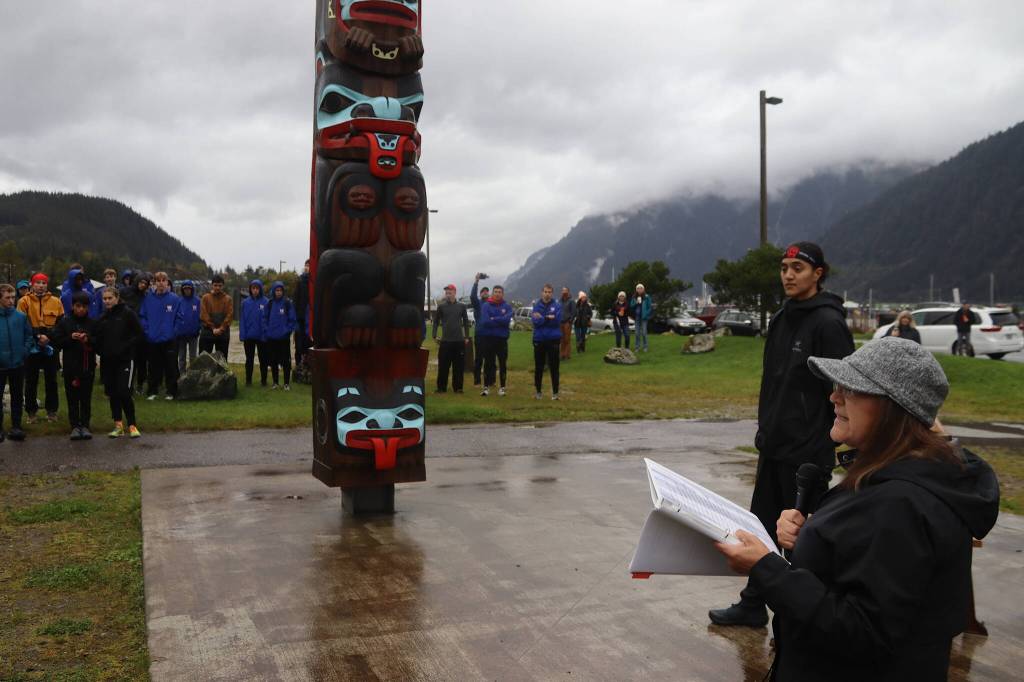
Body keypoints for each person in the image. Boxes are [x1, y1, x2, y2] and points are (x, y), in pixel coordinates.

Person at [716, 337, 999, 681]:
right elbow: (871, 565)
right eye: (837, 385)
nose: (833, 396)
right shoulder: (895, 479)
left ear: (891, 409)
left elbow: (863, 633)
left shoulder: (900, 503)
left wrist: (768, 569)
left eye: (850, 389)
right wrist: (815, 537)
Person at [710, 241, 855, 627]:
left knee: (802, 538)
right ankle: (753, 603)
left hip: (808, 452)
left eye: (798, 268)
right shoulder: (781, 318)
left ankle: (805, 613)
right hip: (774, 443)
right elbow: (773, 381)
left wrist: (827, 440)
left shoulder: (829, 323)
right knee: (761, 524)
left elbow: (842, 388)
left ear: (817, 274)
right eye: (784, 268)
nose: (789, 275)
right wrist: (766, 427)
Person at [94, 287, 143, 438]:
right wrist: (100, 350)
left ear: (117, 298)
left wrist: (125, 347)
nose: (107, 301)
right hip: (108, 361)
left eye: (110, 298)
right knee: (113, 393)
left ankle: (132, 425)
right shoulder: (103, 317)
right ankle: (118, 426)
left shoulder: (127, 313)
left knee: (124, 392)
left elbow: (139, 334)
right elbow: (97, 339)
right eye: (105, 299)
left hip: (126, 360)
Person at [51, 291, 98, 439]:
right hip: (71, 367)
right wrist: (70, 338)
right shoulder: (65, 321)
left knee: (85, 397)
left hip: (87, 366)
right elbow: (57, 341)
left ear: (88, 307)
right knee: (72, 398)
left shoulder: (92, 323)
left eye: (84, 306)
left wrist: (87, 340)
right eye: (78, 306)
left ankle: (85, 425)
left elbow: (97, 343)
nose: (81, 309)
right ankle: (74, 426)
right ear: (72, 306)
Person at [17, 273, 62, 423]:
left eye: (43, 283)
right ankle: (31, 413)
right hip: (31, 344)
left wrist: (49, 337)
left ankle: (52, 412)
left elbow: (61, 324)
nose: (41, 285)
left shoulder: (56, 301)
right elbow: (22, 324)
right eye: (38, 283)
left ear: (47, 285)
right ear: (32, 284)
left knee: (52, 380)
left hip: (50, 343)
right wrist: (37, 337)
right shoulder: (24, 301)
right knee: (31, 380)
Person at [139, 272, 183, 400]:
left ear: (167, 282)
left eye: (164, 280)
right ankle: (152, 391)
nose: (161, 283)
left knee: (171, 366)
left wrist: (173, 333)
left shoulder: (174, 299)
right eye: (158, 280)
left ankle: (171, 392)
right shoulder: (148, 299)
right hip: (152, 339)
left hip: (169, 340)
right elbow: (143, 317)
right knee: (153, 366)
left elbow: (179, 318)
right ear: (154, 283)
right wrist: (147, 332)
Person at [0, 283, 34, 442]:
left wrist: (24, 351)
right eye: (7, 297)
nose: (11, 300)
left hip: (17, 364)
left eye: (13, 297)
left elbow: (29, 336)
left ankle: (16, 426)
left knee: (17, 396)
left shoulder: (21, 317)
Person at [432, 284, 470, 393]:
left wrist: (466, 336)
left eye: (450, 292)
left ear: (454, 292)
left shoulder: (461, 306)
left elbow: (466, 322)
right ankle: (441, 388)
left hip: (459, 341)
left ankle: (458, 388)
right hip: (446, 341)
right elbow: (436, 321)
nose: (448, 295)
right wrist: (434, 335)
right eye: (446, 293)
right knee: (443, 366)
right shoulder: (441, 307)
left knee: (458, 366)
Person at [477, 284, 513, 397]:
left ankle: (502, 388)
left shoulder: (507, 306)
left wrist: (494, 319)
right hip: (488, 339)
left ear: (502, 294)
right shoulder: (486, 306)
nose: (497, 294)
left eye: (499, 292)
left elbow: (507, 320)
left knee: (502, 364)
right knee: (488, 363)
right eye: (495, 291)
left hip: (502, 339)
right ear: (492, 293)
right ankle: (486, 387)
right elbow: (485, 322)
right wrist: (500, 321)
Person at [263, 281, 296, 390]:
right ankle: (275, 382)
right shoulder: (270, 303)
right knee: (273, 361)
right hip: (272, 338)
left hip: (283, 338)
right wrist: (267, 331)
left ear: (283, 291)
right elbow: (264, 318)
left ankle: (286, 383)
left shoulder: (287, 303)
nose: (278, 292)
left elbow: (292, 320)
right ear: (273, 291)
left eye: (280, 290)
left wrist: (286, 331)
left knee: (286, 361)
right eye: (276, 290)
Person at [532, 284, 562, 400]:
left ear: (552, 293)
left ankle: (555, 393)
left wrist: (542, 318)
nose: (547, 294)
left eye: (549, 292)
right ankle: (538, 392)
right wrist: (548, 318)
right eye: (545, 291)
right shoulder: (536, 305)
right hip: (539, 339)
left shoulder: (557, 305)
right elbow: (535, 322)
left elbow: (557, 321)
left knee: (554, 367)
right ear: (542, 292)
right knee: (538, 367)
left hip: (553, 339)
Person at [240, 279, 269, 387]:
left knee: (263, 359)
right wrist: (243, 335)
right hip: (249, 336)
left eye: (257, 288)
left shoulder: (266, 302)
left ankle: (264, 381)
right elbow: (242, 320)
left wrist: (266, 334)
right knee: (249, 360)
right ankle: (248, 381)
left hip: (262, 336)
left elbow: (268, 319)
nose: (255, 290)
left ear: (260, 289)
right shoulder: (245, 303)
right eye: (253, 288)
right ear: (250, 289)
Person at [199, 274, 233, 357]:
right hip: (207, 331)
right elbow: (204, 314)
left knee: (222, 360)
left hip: (223, 333)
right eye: (215, 285)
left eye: (220, 285)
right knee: (204, 359)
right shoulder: (205, 298)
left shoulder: (228, 299)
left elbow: (229, 315)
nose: (217, 287)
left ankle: (220, 370)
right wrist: (213, 328)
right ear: (212, 285)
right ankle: (204, 371)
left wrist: (221, 329)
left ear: (223, 286)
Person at [176, 280, 201, 373]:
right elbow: (176, 316)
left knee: (193, 357)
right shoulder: (178, 301)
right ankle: (182, 375)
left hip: (193, 334)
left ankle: (192, 374)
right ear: (182, 290)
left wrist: (198, 328)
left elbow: (200, 316)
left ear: (192, 289)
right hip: (181, 335)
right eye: (185, 289)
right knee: (181, 357)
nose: (187, 290)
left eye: (189, 289)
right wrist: (177, 330)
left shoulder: (197, 301)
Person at [469, 274, 490, 386]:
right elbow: (472, 296)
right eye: (483, 292)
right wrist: (476, 281)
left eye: (487, 291)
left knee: (490, 359)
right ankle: (477, 381)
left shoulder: (491, 304)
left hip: (491, 335)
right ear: (481, 294)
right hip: (480, 334)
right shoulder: (478, 304)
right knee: (479, 359)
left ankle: (490, 381)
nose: (485, 293)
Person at [293, 260, 312, 366]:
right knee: (299, 343)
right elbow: (295, 299)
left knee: (308, 342)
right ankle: (298, 364)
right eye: (306, 265)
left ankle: (308, 364)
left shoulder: (315, 281)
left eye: (309, 265)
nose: (307, 267)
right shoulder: (300, 281)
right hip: (300, 317)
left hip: (310, 318)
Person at [557, 287, 576, 361]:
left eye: (565, 291)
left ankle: (567, 355)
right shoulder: (559, 301)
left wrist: (570, 321)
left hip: (567, 322)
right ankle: (562, 355)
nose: (564, 292)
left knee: (567, 339)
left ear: (568, 292)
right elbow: (557, 310)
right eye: (563, 291)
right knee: (561, 339)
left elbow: (574, 312)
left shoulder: (571, 301)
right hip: (560, 322)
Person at [632, 283, 653, 352]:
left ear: (643, 289)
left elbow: (650, 307)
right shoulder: (634, 297)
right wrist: (636, 302)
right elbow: (631, 306)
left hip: (644, 317)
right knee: (637, 333)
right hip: (637, 317)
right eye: (638, 288)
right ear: (636, 290)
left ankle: (645, 347)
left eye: (641, 288)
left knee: (644, 332)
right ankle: (637, 347)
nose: (639, 290)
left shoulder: (647, 297)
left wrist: (646, 314)